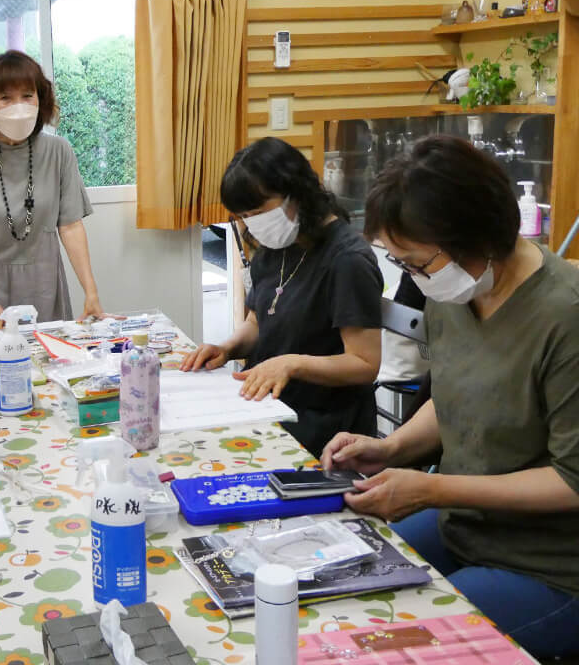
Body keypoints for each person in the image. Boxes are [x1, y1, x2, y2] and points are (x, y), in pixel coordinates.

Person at [321, 135, 579, 659]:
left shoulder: (564, 317)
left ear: (478, 234)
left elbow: (571, 481)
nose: (415, 279)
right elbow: (460, 394)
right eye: (404, 265)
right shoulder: (456, 288)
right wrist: (390, 450)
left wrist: (432, 490)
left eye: (418, 263)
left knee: (396, 645)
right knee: (335, 580)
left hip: (550, 564)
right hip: (465, 524)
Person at [181, 137, 382, 458]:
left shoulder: (347, 260)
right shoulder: (280, 245)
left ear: (296, 193)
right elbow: (257, 321)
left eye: (258, 212)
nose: (251, 224)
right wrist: (227, 348)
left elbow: (364, 364)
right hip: (270, 406)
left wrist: (292, 364)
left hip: (324, 424)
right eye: (244, 215)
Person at [0, 50, 105, 333]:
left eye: (27, 95)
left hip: (43, 286)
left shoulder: (59, 151)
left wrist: (91, 292)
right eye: (5, 97)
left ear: (41, 99)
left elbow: (70, 226)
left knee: (48, 357)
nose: (18, 106)